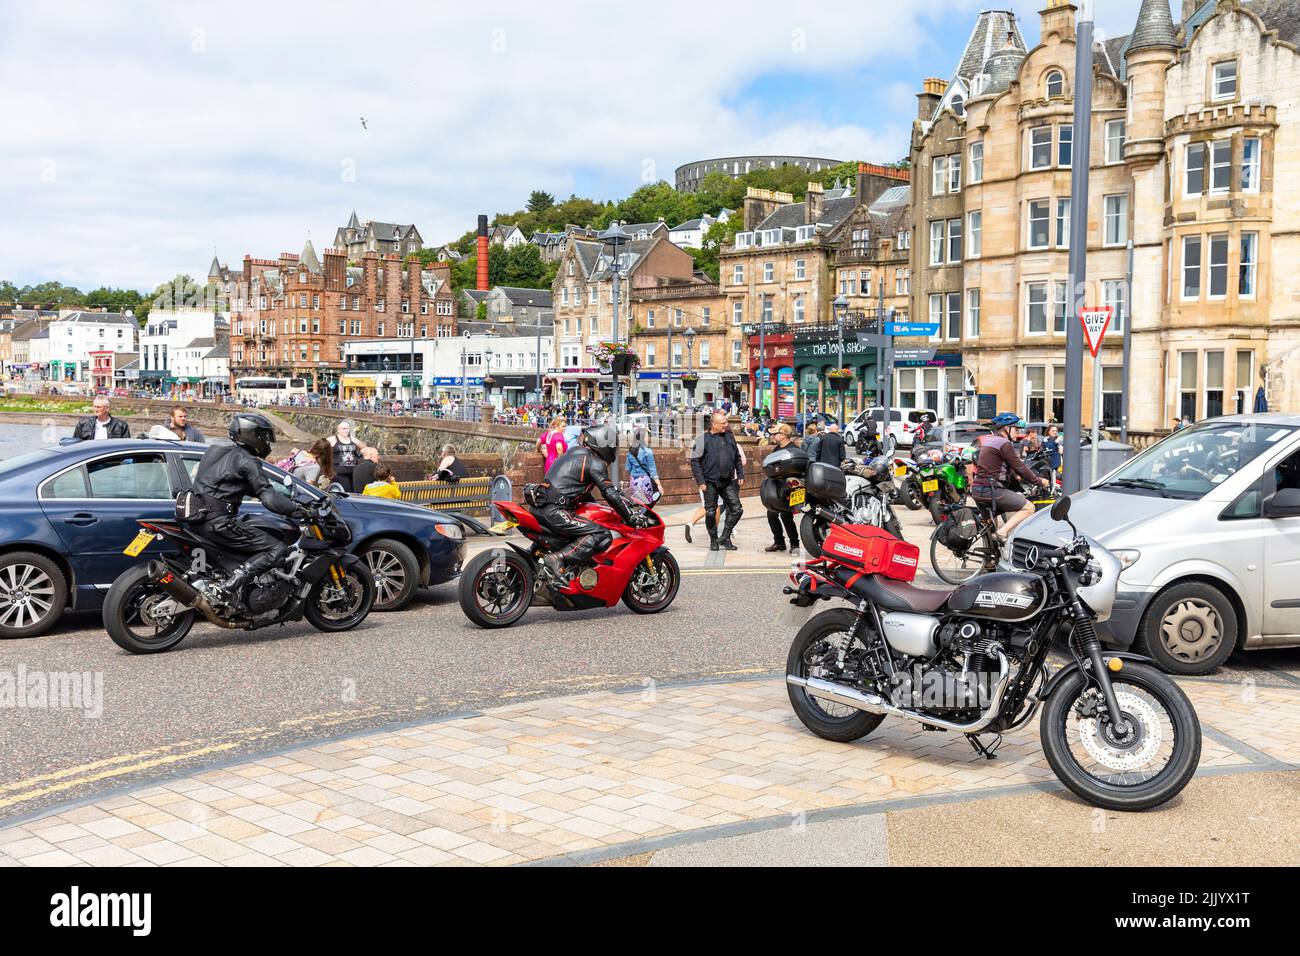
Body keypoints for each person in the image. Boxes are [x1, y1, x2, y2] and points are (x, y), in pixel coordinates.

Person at [191, 413, 306, 604]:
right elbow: (269, 499)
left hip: (198, 516)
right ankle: (228, 587)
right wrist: (299, 510)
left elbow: (229, 485)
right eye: (264, 437)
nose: (267, 443)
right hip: (218, 521)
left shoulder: (215, 451)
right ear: (253, 435)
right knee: (276, 548)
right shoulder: (248, 461)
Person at [530, 424, 645, 579]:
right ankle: (558, 558)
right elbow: (609, 492)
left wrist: (600, 507)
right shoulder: (595, 462)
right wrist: (629, 517)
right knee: (601, 534)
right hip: (556, 511)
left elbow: (579, 493)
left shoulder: (572, 453)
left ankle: (535, 560)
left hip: (539, 507)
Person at [970, 412, 1051, 542]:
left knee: (990, 528)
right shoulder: (1004, 443)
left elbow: (1000, 465)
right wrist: (1038, 481)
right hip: (992, 490)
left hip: (978, 489)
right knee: (1028, 508)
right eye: (1015, 428)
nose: (1017, 432)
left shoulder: (989, 440)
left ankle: (990, 559)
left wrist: (1017, 477)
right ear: (1006, 428)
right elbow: (1019, 466)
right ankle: (1002, 532)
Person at [690, 411, 745, 552]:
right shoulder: (702, 439)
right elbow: (695, 461)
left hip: (727, 481)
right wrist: (700, 481)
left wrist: (740, 474)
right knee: (710, 512)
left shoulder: (729, 437)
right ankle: (714, 540)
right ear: (714, 424)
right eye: (723, 423)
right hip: (709, 482)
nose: (726, 425)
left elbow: (737, 457)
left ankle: (724, 537)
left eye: (726, 422)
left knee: (737, 509)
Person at [763, 423, 800, 553]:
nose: (773, 436)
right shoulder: (777, 449)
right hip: (776, 486)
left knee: (786, 516)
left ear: (783, 435)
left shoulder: (794, 450)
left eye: (775, 433)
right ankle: (779, 542)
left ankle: (794, 544)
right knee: (771, 514)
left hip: (788, 488)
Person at [625, 426, 663, 504]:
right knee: (647, 505)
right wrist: (659, 484)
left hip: (634, 481)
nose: (648, 438)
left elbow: (628, 468)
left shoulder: (630, 451)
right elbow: (652, 469)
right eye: (646, 436)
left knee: (637, 504)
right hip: (645, 481)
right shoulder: (648, 451)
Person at [328, 421, 361, 491]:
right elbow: (319, 447)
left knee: (354, 492)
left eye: (347, 429)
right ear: (338, 430)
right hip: (339, 472)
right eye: (343, 428)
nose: (346, 430)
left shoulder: (353, 439)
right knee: (345, 491)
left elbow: (365, 448)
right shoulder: (332, 439)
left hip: (354, 471)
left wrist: (359, 456)